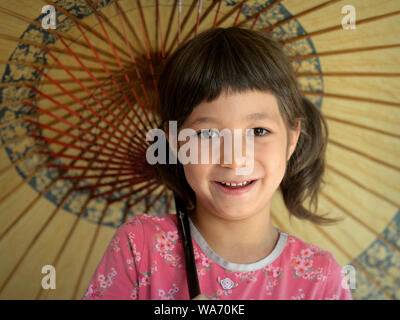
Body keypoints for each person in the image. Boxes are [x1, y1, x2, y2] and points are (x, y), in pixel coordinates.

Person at [81, 27, 352, 300]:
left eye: (258, 131)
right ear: (174, 142)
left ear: (291, 139)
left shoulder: (319, 278)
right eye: (207, 134)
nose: (234, 160)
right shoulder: (139, 247)